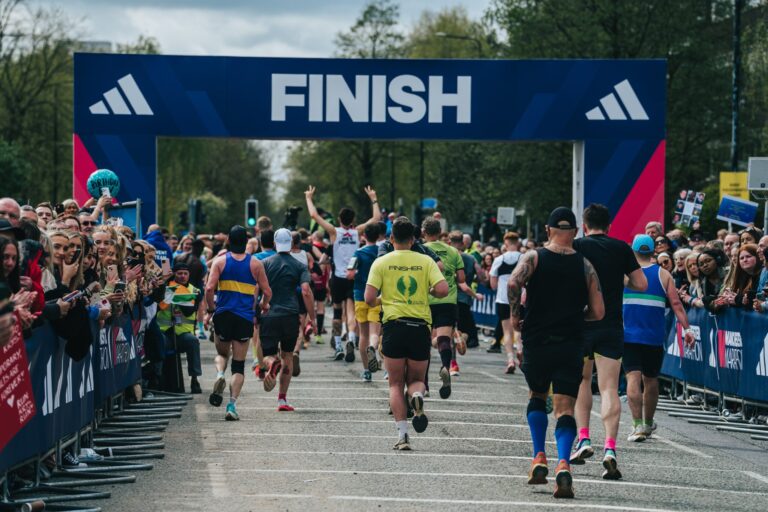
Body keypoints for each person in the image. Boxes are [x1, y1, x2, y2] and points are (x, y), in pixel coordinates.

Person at [507, 207, 604, 499]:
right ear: (575, 232)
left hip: (537, 340)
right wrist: (575, 317)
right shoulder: (585, 265)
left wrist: (515, 316)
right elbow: (598, 312)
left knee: (537, 396)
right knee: (564, 407)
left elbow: (513, 282)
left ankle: (539, 456)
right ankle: (564, 462)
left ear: (548, 230)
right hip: (571, 342)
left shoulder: (534, 257)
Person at [570, 204, 647, 480]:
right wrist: (620, 279)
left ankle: (584, 439)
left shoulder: (576, 246)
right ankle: (611, 449)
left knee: (581, 382)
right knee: (610, 388)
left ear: (585, 224)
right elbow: (641, 284)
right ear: (610, 225)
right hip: (612, 324)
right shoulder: (622, 248)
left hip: (581, 323)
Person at [365, 216, 448, 450]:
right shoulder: (425, 261)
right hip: (420, 326)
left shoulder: (381, 262)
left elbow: (369, 299)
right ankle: (417, 397)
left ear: (391, 239)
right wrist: (428, 290)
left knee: (394, 384)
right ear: (413, 239)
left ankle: (403, 436)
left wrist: (387, 299)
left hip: (393, 325)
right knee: (416, 380)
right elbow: (442, 289)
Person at [623, 235, 694, 442]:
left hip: (627, 334)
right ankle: (647, 424)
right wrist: (687, 329)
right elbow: (677, 305)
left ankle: (636, 426)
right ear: (653, 250)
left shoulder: (625, 275)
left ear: (633, 251)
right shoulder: (664, 274)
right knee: (651, 379)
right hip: (653, 336)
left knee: (633, 379)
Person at [305, 185, 381, 362]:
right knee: (352, 312)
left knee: (338, 312)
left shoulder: (334, 232)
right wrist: (373, 198)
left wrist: (309, 198)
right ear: (353, 219)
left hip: (338, 278)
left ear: (339, 219)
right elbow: (376, 218)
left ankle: (338, 344)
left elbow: (314, 216)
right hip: (353, 277)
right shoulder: (357, 232)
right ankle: (352, 339)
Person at [204, 225, 272, 421]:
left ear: (228, 241)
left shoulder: (220, 261)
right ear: (247, 242)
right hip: (244, 317)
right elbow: (268, 292)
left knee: (221, 354)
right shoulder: (255, 264)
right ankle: (231, 405)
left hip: (223, 314)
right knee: (239, 366)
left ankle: (218, 375)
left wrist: (210, 310)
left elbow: (209, 288)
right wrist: (264, 305)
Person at [260, 228, 316, 411]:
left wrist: (258, 309)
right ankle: (282, 400)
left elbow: (256, 290)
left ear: (275, 243)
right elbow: (306, 292)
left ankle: (270, 363)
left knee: (268, 354)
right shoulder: (300, 266)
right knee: (288, 356)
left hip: (269, 314)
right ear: (292, 244)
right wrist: (312, 318)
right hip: (291, 316)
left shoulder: (265, 263)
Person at [422, 217, 465, 389]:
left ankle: (423, 383)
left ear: (424, 232)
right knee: (444, 339)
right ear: (440, 233)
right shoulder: (453, 251)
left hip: (426, 300)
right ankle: (446, 367)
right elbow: (461, 279)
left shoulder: (420, 250)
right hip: (448, 299)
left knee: (424, 343)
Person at [156, 262, 203, 393]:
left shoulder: (194, 291)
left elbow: (190, 310)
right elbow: (159, 305)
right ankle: (157, 378)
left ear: (189, 275)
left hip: (183, 334)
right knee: (159, 343)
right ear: (174, 274)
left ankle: (195, 379)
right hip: (165, 332)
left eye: (185, 273)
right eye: (179, 273)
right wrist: (170, 288)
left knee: (193, 342)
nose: (182, 276)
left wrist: (177, 295)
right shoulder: (167, 288)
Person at [348, 223, 382, 381]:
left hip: (360, 295)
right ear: (379, 236)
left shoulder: (358, 252)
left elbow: (350, 273)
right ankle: (373, 348)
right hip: (377, 296)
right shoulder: (383, 253)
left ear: (364, 236)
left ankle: (366, 371)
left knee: (363, 334)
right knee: (375, 333)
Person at [489, 232, 523, 374]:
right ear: (518, 242)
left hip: (503, 299)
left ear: (506, 243)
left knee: (506, 331)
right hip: (520, 299)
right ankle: (520, 350)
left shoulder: (499, 260)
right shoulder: (524, 258)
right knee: (518, 329)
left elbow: (493, 285)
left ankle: (510, 359)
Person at [450, 231, 483, 350]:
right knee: (466, 323)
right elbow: (480, 275)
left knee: (448, 324)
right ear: (463, 243)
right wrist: (475, 280)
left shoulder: (448, 256)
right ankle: (466, 340)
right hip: (465, 296)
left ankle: (453, 342)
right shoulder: (471, 258)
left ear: (449, 242)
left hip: (449, 295)